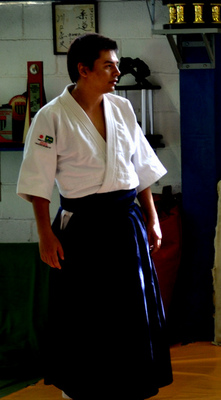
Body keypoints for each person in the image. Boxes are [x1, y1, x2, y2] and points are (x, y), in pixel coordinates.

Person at [16, 33, 172, 399]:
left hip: (125, 220)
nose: (117, 71)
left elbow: (141, 168)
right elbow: (37, 183)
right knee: (85, 314)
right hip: (82, 226)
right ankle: (81, 388)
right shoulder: (51, 116)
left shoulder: (122, 108)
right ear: (84, 70)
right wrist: (45, 235)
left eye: (116, 63)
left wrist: (151, 217)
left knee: (131, 311)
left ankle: (131, 383)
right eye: (108, 65)